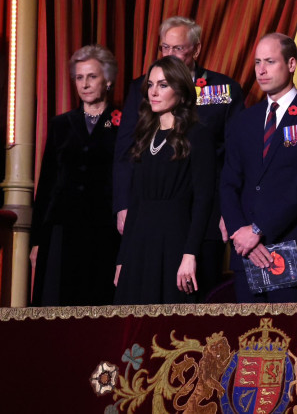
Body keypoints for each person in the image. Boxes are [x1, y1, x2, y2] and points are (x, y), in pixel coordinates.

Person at [113, 16, 243, 300]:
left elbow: (234, 156)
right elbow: (126, 156)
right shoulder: (143, 101)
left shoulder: (223, 91)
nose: (170, 55)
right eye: (165, 48)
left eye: (178, 49)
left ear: (195, 49)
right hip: (146, 224)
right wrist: (122, 207)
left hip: (197, 214)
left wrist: (229, 212)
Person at [220, 33, 297, 303]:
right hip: (245, 250)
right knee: (249, 340)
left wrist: (259, 230)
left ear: (292, 64)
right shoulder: (244, 121)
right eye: (258, 62)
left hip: (291, 245)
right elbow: (228, 182)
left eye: (270, 61)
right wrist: (240, 232)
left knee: (287, 339)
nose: (261, 70)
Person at [113, 56, 216, 305]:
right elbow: (135, 201)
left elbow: (204, 200)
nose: (154, 92)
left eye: (163, 85)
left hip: (175, 240)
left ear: (180, 91)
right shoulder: (144, 135)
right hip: (139, 241)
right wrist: (122, 258)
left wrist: (190, 254)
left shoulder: (198, 135)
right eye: (150, 85)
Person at [30, 44, 121, 306]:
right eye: (79, 77)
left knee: (97, 302)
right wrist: (37, 241)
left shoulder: (123, 122)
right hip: (62, 228)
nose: (84, 84)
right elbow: (46, 183)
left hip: (104, 230)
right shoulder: (61, 123)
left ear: (108, 79)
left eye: (91, 76)